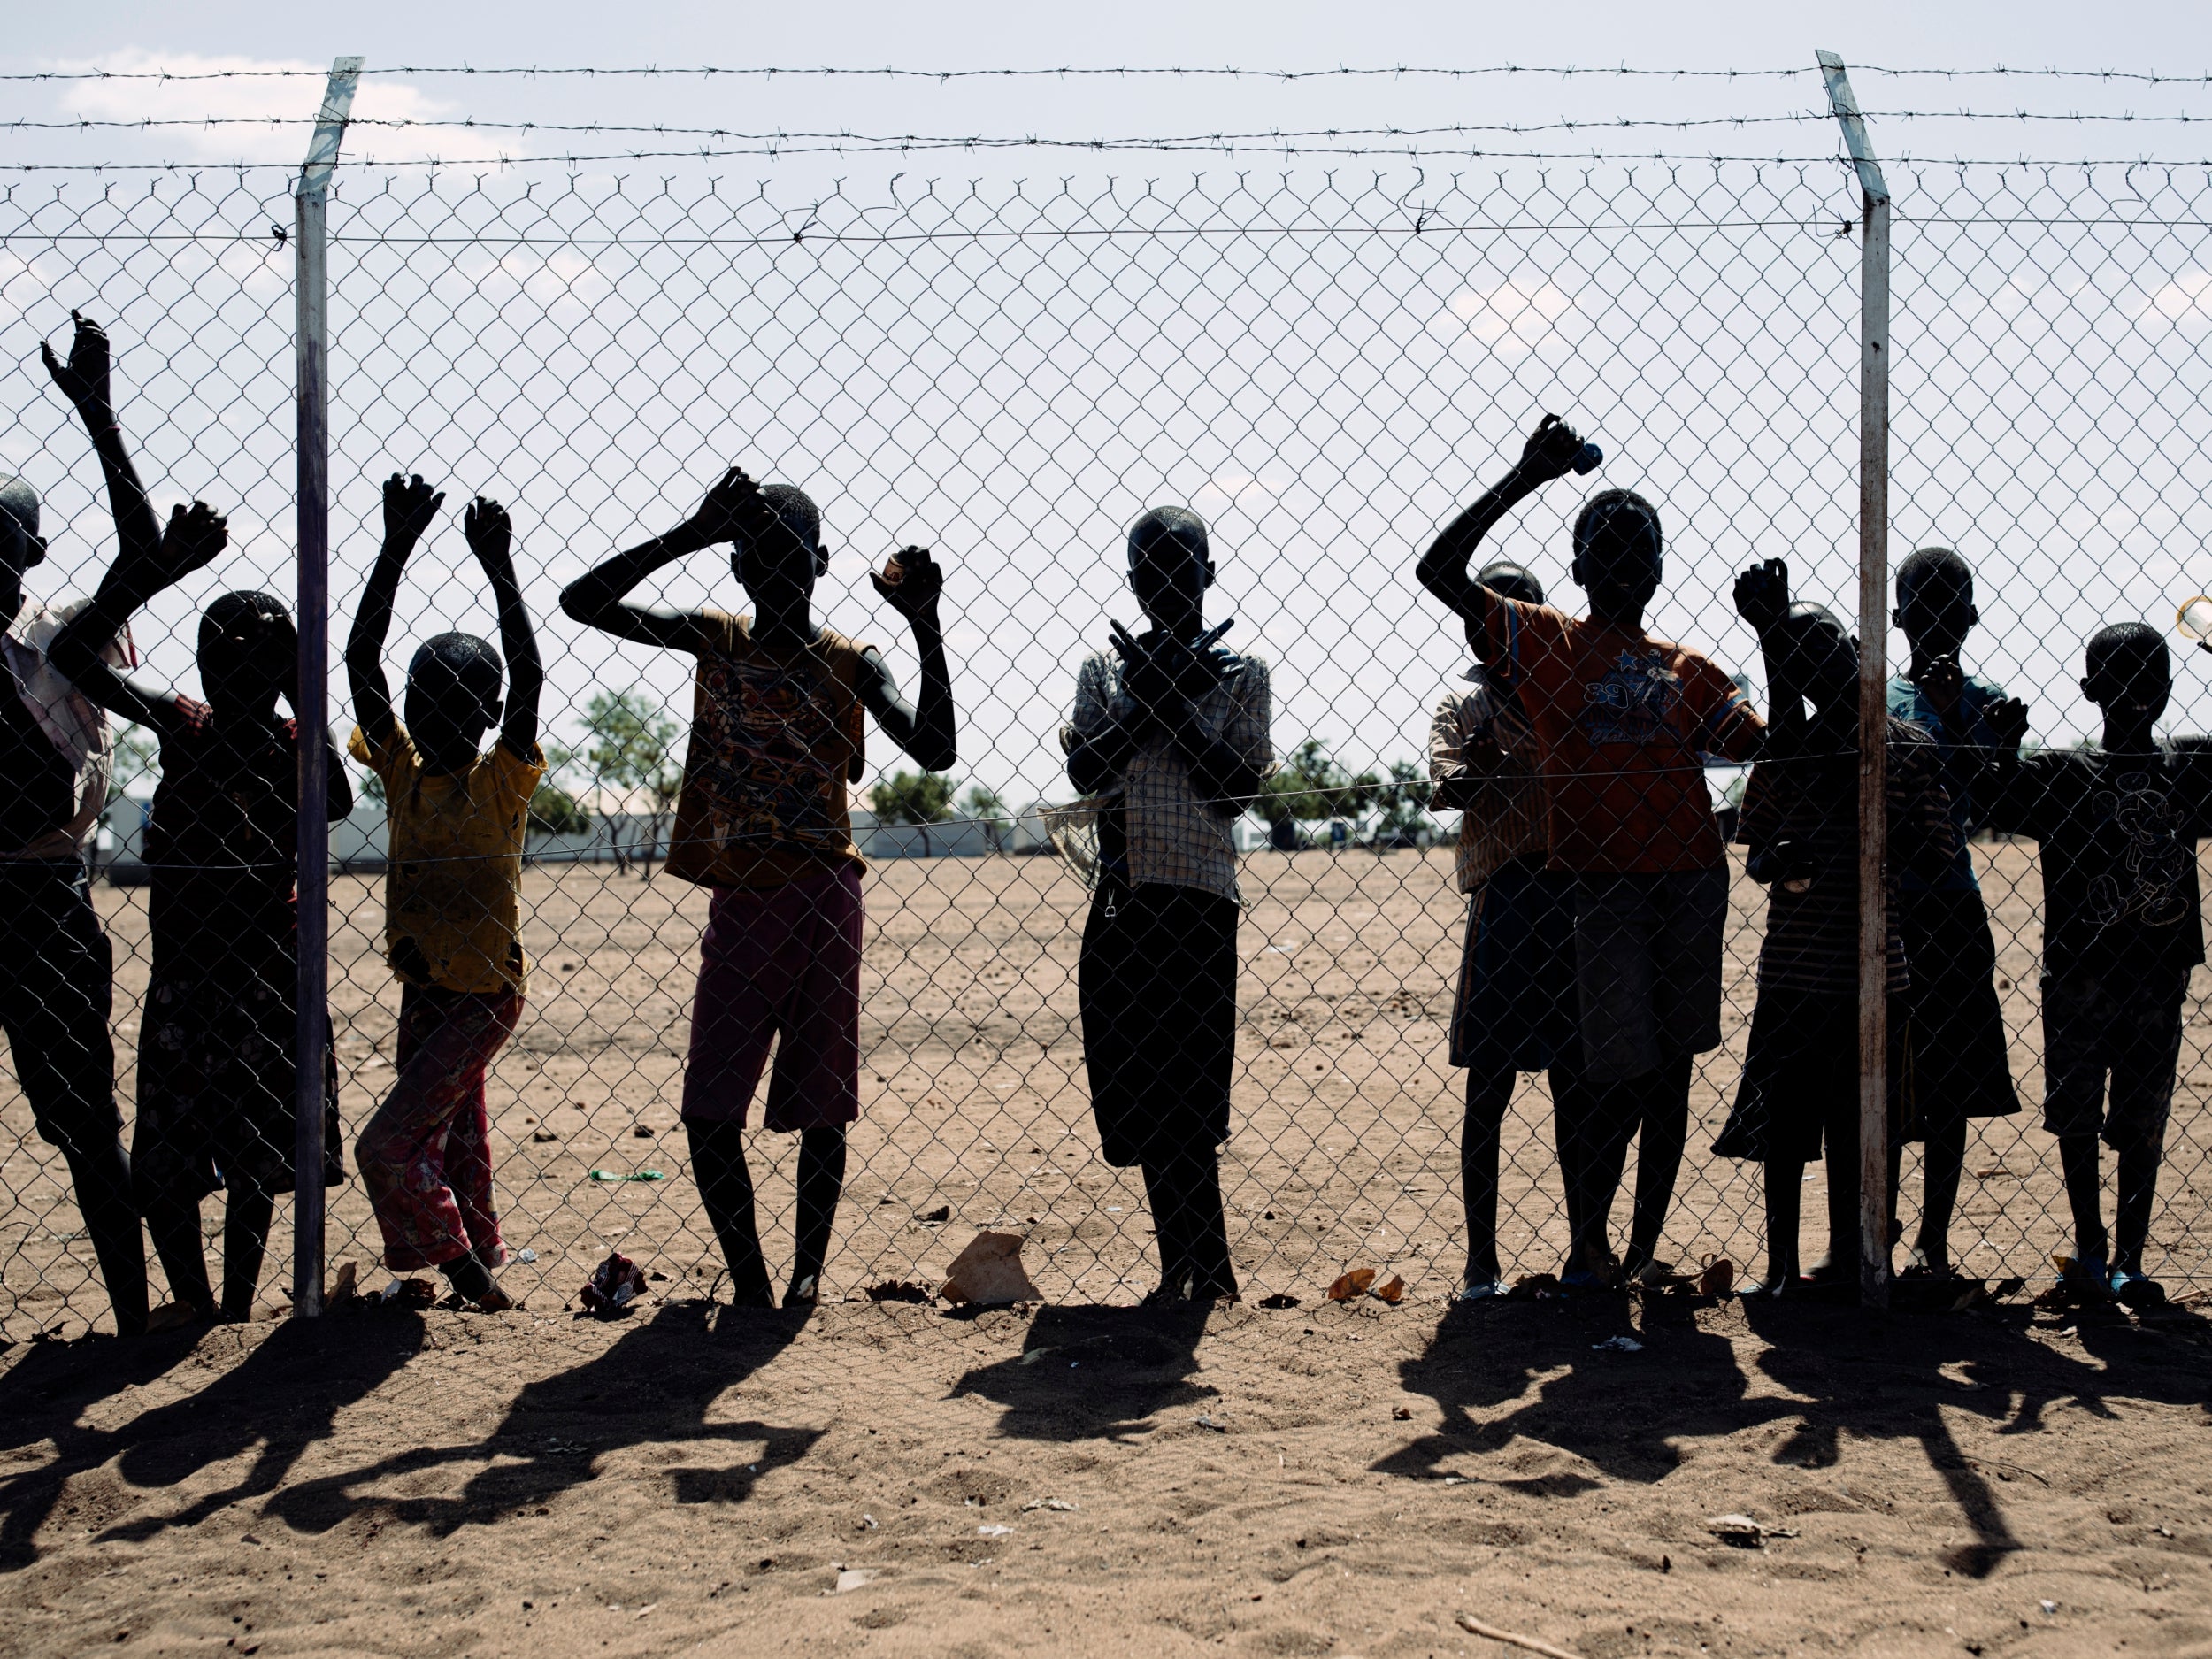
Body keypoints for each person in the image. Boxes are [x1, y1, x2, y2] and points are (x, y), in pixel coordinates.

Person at [560, 466, 956, 1310]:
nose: (776, 572)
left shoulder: (851, 660)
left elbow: (934, 749)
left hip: (821, 894)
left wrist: (924, 627)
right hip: (744, 899)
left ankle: (803, 1277)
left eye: (790, 558)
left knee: (821, 1108)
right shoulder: (720, 638)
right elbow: (581, 602)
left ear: (819, 562)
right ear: (737, 568)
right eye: (757, 557)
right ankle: (752, 1282)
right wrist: (692, 531)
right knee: (710, 1112)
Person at [45, 313, 350, 1325]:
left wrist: (294, 691)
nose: (232, 666)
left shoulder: (229, 734)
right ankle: (211, 1304)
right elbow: (80, 655)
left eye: (248, 655)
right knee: (214, 1163)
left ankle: (210, 1307)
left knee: (232, 1161)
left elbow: (79, 652)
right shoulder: (206, 729)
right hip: (226, 977)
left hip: (231, 976)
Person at [1417, 414, 1763, 1288]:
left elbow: (1758, 743)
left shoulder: (1685, 668)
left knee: (1669, 1075)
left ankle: (1634, 1253)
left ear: (1655, 569)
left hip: (1683, 886)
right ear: (1576, 570)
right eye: (1603, 546)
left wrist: (1776, 642)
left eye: (1633, 547)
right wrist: (1527, 473)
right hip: (1598, 893)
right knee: (1605, 1077)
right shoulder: (1549, 645)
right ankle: (1591, 1248)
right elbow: (1437, 571)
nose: (1620, 561)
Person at [1719, 564, 1955, 1295]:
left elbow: (1939, 855)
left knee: (1866, 1122)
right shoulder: (1787, 755)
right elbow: (1755, 845)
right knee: (1786, 1127)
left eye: (1828, 649)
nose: (1819, 667)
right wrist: (1774, 863)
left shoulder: (1906, 746)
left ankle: (1856, 1253)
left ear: (1857, 649)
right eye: (1801, 660)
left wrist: (1882, 843)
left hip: (1877, 967)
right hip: (1797, 963)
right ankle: (1782, 1266)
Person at [346, 474, 543, 1312]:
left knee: (389, 1144)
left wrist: (500, 568)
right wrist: (395, 544)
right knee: (454, 1130)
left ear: (492, 712)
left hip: (485, 994)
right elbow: (361, 661)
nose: (433, 716)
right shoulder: (401, 771)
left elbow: (529, 674)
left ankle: (466, 1274)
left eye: (459, 704)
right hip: (427, 989)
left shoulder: (504, 779)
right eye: (422, 701)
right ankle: (485, 1248)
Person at [1065, 506, 1271, 1304]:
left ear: (1208, 576)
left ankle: (1210, 1266)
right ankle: (1178, 1262)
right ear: (1132, 582)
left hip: (1199, 902)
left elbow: (1237, 789)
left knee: (1192, 1093)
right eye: (1149, 573)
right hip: (1123, 899)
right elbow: (1088, 770)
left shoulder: (1240, 672)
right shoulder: (1107, 671)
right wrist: (1143, 700)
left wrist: (1176, 709)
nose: (1165, 586)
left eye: (1180, 570)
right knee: (1142, 1089)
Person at [1983, 623, 2212, 1307]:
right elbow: (1993, 799)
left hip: (2154, 976)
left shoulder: (2188, 765)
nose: (2136, 695)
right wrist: (2001, 749)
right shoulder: (2062, 771)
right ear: (2089, 691)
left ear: (2170, 689)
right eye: (2120, 681)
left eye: (2148, 681)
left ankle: (2128, 1257)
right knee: (2078, 1117)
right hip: (2081, 975)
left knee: (2142, 1119)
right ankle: (2092, 1245)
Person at [1, 324, 148, 1336]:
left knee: (83, 1117)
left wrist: (97, 415)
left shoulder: (60, 637)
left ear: (32, 556)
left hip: (42, 895)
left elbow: (142, 556)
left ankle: (135, 1316)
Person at [1426, 559, 1577, 1300]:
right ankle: (1480, 1260)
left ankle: (1588, 1247)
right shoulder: (1464, 702)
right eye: (1493, 613)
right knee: (1490, 1085)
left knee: (1577, 1083)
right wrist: (1479, 771)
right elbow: (1443, 787)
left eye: (1522, 614)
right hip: (1506, 896)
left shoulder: (1567, 696)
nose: (1506, 627)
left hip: (1574, 893)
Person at [1886, 547, 2025, 1279]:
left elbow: (1997, 809)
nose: (1937, 621)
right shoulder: (1877, 698)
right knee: (1878, 1072)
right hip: (1887, 908)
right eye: (1923, 605)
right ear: (1897, 616)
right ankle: (1876, 1223)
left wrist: (1992, 742)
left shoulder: (1988, 701)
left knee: (1947, 1079)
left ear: (1971, 617)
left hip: (1950, 905)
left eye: (1951, 605)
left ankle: (1931, 1237)